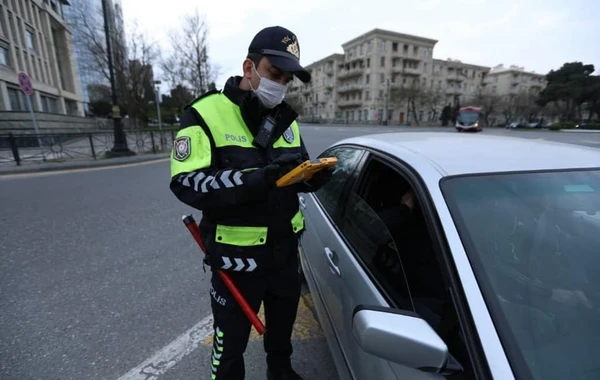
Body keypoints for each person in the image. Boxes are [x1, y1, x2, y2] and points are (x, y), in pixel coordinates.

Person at [169, 26, 332, 380]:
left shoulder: (285, 119)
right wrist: (258, 178)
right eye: (275, 73)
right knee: (230, 347)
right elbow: (186, 182)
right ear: (249, 68)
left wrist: (312, 178)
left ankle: (281, 373)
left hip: (285, 254)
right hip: (235, 261)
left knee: (282, 333)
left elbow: (293, 171)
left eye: (288, 78)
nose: (282, 84)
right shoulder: (204, 114)